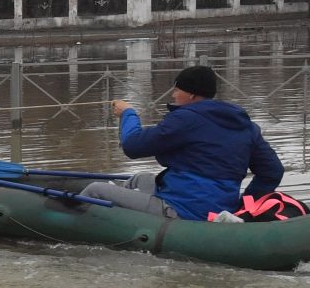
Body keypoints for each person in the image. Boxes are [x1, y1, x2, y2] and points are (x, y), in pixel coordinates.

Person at [85, 66, 284, 221]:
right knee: (142, 178)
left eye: (177, 89)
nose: (173, 94)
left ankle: (70, 224)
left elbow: (132, 146)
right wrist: (243, 205)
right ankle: (120, 214)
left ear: (191, 94)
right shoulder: (247, 126)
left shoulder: (186, 119)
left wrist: (128, 114)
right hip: (221, 208)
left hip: (183, 209)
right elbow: (272, 171)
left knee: (96, 190)